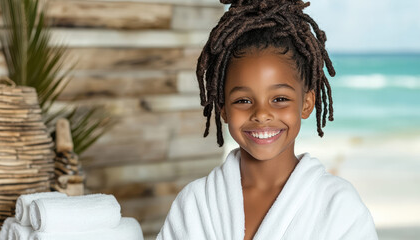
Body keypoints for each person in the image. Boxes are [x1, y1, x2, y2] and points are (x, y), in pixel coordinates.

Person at [157, 0, 378, 239]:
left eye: (280, 98)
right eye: (243, 100)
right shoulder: (197, 203)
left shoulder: (338, 206)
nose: (261, 114)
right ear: (223, 109)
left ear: (306, 104)